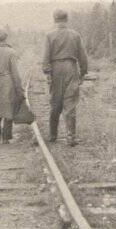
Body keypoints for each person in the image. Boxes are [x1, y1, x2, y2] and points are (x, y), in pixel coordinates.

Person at [42, 8, 88, 145]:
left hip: (56, 69)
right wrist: (83, 72)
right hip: (71, 68)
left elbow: (46, 57)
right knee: (70, 103)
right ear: (66, 20)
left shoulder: (49, 36)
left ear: (54, 20)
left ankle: (52, 135)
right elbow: (83, 56)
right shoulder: (75, 35)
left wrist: (47, 72)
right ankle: (70, 137)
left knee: (55, 103)